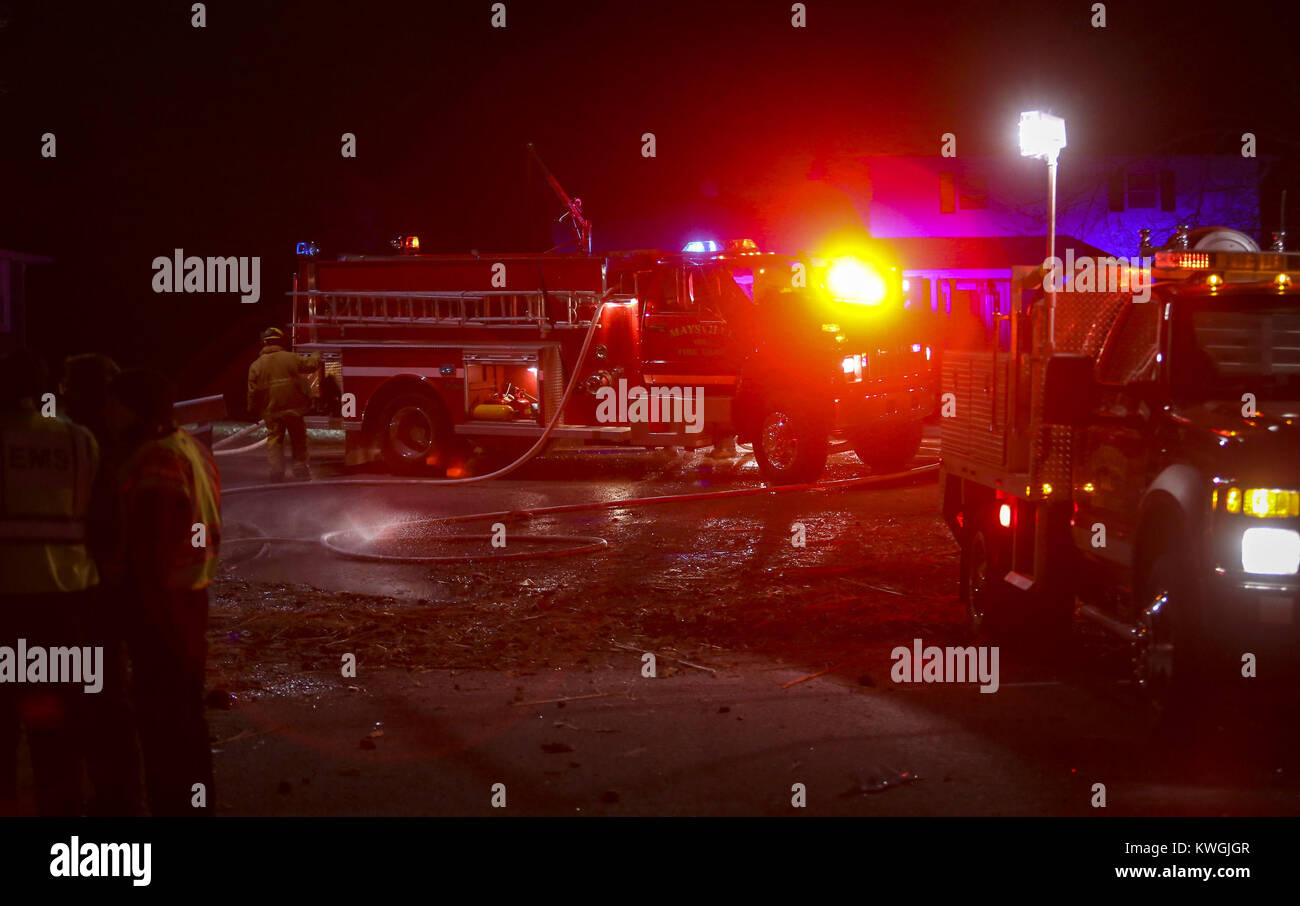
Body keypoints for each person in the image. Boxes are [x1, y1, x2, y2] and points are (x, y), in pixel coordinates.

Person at [108, 369, 220, 816]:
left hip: (162, 610)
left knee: (161, 727)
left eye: (115, 405)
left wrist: (135, 613)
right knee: (189, 722)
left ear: (134, 408)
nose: (109, 415)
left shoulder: (154, 459)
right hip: (193, 600)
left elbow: (150, 551)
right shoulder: (192, 449)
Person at [0, 350, 99, 815]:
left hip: (6, 602)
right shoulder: (79, 441)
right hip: (63, 603)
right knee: (55, 723)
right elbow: (103, 523)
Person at [60, 352, 143, 815]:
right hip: (101, 588)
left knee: (85, 697)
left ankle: (95, 798)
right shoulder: (114, 440)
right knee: (107, 697)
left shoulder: (80, 440)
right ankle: (120, 799)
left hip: (75, 591)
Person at [247, 327, 320, 482]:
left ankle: (276, 472)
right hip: (294, 409)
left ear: (264, 343)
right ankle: (300, 468)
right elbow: (311, 365)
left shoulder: (256, 366)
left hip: (271, 411)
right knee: (298, 438)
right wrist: (317, 353)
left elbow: (253, 392)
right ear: (281, 341)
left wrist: (252, 411)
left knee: (275, 440)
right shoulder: (291, 358)